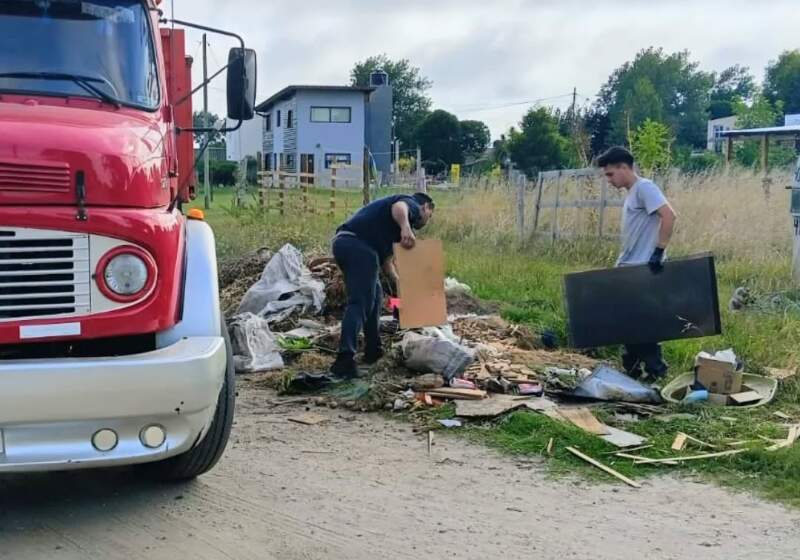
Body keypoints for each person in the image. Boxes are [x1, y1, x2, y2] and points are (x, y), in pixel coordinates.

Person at [329, 192, 435, 379]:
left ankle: (373, 351)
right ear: (426, 207)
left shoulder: (391, 229)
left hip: (347, 244)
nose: (427, 220)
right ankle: (344, 361)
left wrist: (402, 289)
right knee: (360, 302)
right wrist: (406, 228)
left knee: (375, 297)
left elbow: (387, 265)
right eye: (430, 216)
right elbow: (399, 207)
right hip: (358, 246)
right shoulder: (411, 205)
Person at [597, 146, 677, 380]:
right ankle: (632, 369)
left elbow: (669, 215)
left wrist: (659, 251)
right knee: (627, 320)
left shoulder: (644, 187)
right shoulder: (633, 193)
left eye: (610, 174)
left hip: (642, 268)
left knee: (639, 322)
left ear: (623, 167)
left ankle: (655, 370)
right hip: (629, 266)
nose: (609, 180)